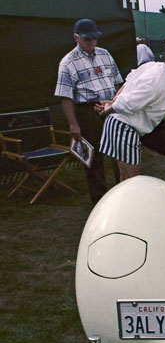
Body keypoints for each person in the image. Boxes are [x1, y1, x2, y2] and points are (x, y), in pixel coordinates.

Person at [98, 38, 165, 181]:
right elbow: (130, 103)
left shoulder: (155, 67)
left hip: (122, 125)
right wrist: (108, 109)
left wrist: (112, 101)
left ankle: (125, 202)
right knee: (132, 180)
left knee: (125, 178)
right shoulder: (157, 78)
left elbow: (129, 81)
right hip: (125, 127)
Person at [55, 18, 123, 204]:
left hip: (111, 107)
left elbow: (119, 83)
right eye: (87, 39)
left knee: (119, 152)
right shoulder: (68, 62)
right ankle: (100, 200)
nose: (92, 42)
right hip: (88, 111)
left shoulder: (105, 54)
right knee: (93, 158)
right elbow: (65, 96)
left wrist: (116, 102)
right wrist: (73, 124)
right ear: (76, 38)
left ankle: (123, 193)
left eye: (94, 38)